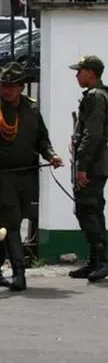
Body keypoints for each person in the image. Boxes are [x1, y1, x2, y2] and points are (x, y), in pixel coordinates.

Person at [0, 62, 62, 292]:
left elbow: (41, 140)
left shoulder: (32, 109)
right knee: (12, 223)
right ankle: (19, 273)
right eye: (3, 85)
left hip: (27, 174)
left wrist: (51, 155)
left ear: (21, 87)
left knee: (10, 223)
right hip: (2, 176)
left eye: (10, 86)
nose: (5, 90)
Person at [67, 56, 108, 282]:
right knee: (93, 209)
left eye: (80, 71)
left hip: (92, 165)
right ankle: (95, 260)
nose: (76, 75)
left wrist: (82, 167)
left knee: (86, 209)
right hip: (97, 163)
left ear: (91, 73)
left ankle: (101, 260)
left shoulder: (95, 97)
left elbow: (92, 135)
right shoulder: (99, 95)